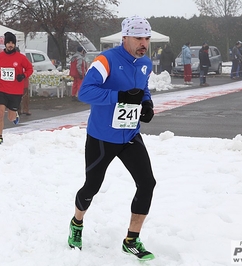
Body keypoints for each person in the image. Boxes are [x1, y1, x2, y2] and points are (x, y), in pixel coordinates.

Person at [68, 15, 157, 261]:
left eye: (147, 38)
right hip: (102, 136)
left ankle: (131, 240)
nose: (144, 43)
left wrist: (147, 103)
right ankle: (77, 223)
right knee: (92, 187)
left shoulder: (145, 63)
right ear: (125, 37)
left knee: (147, 183)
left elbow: (143, 88)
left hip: (130, 134)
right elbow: (85, 92)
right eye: (138, 38)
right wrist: (119, 97)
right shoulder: (105, 60)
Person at [0, 32, 33, 144]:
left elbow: (30, 69)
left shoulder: (21, 58)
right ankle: (0, 137)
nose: (10, 45)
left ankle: (15, 115)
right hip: (2, 90)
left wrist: (23, 75)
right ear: (5, 44)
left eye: (12, 43)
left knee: (10, 118)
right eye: (8, 42)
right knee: (0, 112)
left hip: (15, 91)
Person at [16, 47, 31, 116]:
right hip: (23, 80)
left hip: (18, 81)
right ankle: (25, 110)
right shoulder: (23, 58)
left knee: (17, 96)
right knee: (24, 96)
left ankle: (18, 110)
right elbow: (28, 69)